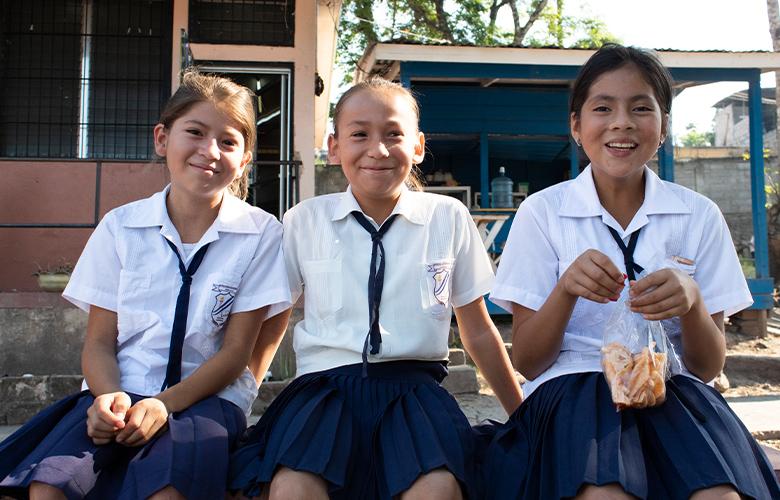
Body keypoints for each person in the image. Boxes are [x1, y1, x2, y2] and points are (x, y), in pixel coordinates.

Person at [483, 44, 780, 500]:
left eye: (641, 107)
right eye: (603, 107)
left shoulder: (697, 215)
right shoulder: (543, 213)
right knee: (603, 492)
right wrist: (565, 291)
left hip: (673, 391)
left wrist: (694, 301)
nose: (622, 122)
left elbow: (706, 366)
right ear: (577, 127)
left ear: (662, 127)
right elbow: (528, 360)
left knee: (718, 495)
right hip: (572, 394)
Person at [0, 70, 291, 500]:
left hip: (202, 400)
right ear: (162, 138)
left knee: (167, 488)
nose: (209, 151)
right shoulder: (121, 226)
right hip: (118, 391)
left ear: (245, 159)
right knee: (50, 486)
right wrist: (108, 397)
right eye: (194, 132)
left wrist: (164, 404)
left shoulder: (261, 234)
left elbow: (236, 355)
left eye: (228, 141)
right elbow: (99, 342)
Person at [229, 77, 523, 500]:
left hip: (414, 393)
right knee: (293, 486)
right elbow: (274, 327)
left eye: (393, 134)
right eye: (359, 134)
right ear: (334, 147)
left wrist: (520, 414)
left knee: (437, 488)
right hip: (322, 394)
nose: (377, 149)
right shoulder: (303, 220)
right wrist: (239, 404)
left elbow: (476, 329)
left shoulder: (448, 217)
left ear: (419, 146)